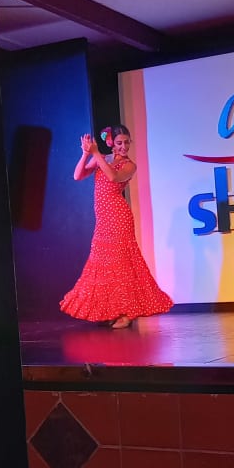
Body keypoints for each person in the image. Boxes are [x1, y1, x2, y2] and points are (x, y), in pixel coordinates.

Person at [60, 124, 173, 328]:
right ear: (112, 143)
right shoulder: (103, 158)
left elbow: (113, 177)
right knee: (105, 266)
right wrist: (86, 154)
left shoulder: (130, 165)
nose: (123, 146)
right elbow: (77, 175)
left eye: (127, 142)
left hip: (118, 217)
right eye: (119, 142)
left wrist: (96, 153)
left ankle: (128, 314)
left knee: (122, 265)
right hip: (103, 220)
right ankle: (112, 310)